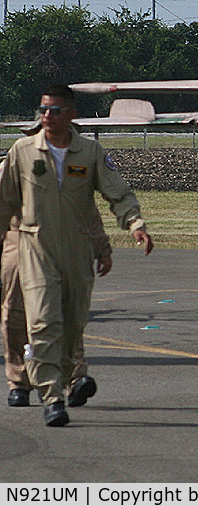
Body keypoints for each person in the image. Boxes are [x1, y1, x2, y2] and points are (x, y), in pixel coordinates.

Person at [0, 84, 153, 426]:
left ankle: (68, 379)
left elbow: (116, 194)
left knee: (71, 328)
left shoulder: (90, 153)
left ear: (71, 115)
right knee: (41, 323)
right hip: (34, 249)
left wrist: (135, 224)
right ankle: (51, 398)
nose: (47, 117)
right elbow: (4, 203)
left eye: (54, 110)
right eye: (43, 110)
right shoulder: (22, 151)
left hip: (76, 252)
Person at [3, 190, 112, 409]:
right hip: (20, 244)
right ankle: (19, 382)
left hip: (63, 246)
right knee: (16, 317)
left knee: (69, 315)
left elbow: (87, 211)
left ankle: (73, 378)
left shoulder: (69, 167)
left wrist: (102, 248)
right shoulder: (12, 167)